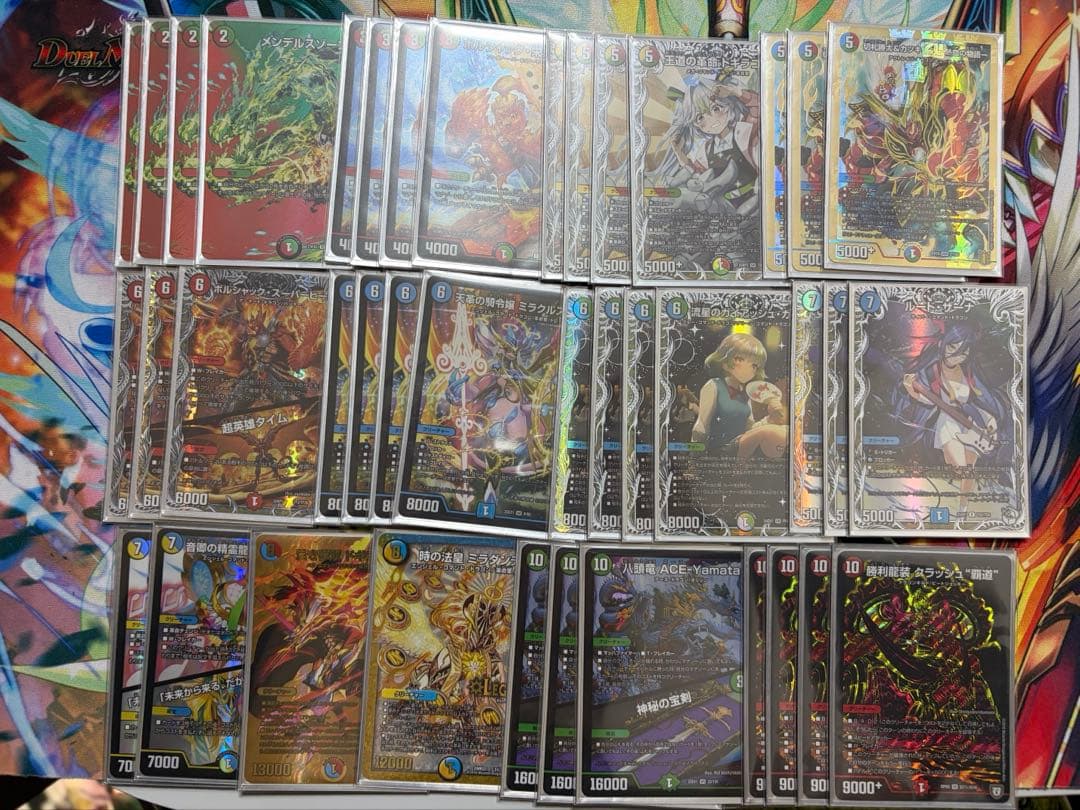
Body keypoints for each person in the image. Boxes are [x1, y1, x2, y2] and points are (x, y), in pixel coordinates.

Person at [691, 333, 785, 459]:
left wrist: (770, 418)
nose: (752, 369)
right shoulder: (713, 386)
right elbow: (701, 427)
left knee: (783, 430)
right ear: (727, 361)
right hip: (717, 453)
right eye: (739, 359)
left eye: (755, 366)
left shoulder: (745, 394)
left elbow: (750, 430)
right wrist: (694, 458)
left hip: (739, 452)